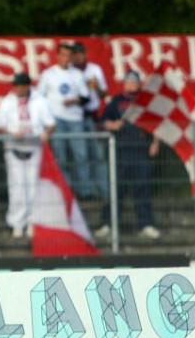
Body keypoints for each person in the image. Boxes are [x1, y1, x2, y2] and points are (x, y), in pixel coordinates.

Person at [95, 71, 160, 240]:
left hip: (141, 151)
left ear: (139, 84)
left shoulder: (146, 101)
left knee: (142, 189)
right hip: (120, 151)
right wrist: (112, 125)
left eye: (134, 82)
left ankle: (146, 224)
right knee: (116, 190)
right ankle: (109, 224)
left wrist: (155, 142)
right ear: (124, 84)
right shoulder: (116, 101)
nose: (131, 84)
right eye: (129, 82)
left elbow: (156, 124)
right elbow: (103, 121)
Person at [0, 72, 56, 239]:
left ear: (27, 86)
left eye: (20, 86)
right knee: (16, 187)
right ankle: (16, 223)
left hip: (34, 148)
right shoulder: (7, 102)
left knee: (33, 187)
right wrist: (13, 133)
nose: (17, 89)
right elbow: (0, 125)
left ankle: (32, 222)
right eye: (15, 86)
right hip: (14, 148)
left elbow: (50, 124)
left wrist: (46, 133)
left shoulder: (40, 101)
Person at [38, 42, 91, 196]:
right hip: (57, 119)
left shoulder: (77, 74)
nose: (66, 58)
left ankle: (85, 191)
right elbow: (40, 98)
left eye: (68, 55)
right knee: (60, 156)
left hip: (75, 119)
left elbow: (85, 98)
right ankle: (64, 191)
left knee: (81, 155)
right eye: (63, 55)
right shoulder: (48, 74)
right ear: (57, 56)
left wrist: (75, 100)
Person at [72, 41, 109, 199]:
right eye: (76, 53)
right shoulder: (70, 72)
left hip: (92, 115)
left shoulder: (95, 69)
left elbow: (104, 94)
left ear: (85, 54)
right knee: (81, 156)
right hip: (76, 116)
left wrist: (96, 87)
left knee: (98, 155)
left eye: (81, 53)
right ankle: (86, 191)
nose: (79, 56)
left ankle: (104, 190)